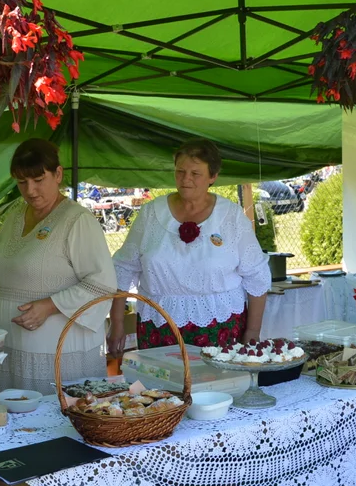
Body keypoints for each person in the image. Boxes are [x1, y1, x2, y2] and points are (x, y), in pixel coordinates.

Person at [108, 139, 271, 354]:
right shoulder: (151, 214)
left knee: (218, 386)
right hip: (159, 326)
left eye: (195, 173)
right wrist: (117, 323)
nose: (185, 179)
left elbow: (256, 277)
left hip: (219, 326)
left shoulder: (231, 216)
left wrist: (253, 330)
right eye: (180, 171)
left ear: (213, 177)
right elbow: (123, 268)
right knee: (161, 387)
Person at [0, 139, 117, 394]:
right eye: (22, 182)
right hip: (11, 348)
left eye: (38, 180)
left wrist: (50, 306)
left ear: (58, 175)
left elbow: (103, 283)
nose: (30, 190)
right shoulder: (14, 216)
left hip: (57, 352)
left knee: (57, 420)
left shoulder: (77, 220)